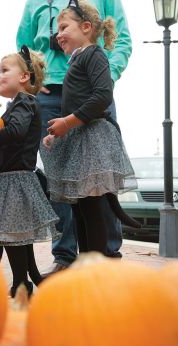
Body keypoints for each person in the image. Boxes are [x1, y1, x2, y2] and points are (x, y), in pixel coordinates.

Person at [16, 0, 132, 273]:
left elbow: (123, 41)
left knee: (97, 185)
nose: (58, 33)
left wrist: (105, 75)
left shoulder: (94, 47)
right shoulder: (35, 4)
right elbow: (23, 43)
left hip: (92, 100)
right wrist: (34, 78)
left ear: (86, 27)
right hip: (51, 95)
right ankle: (67, 259)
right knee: (65, 185)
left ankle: (105, 258)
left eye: (64, 27)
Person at [0, 46, 59, 297]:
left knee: (10, 236)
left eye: (4, 70)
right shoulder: (16, 104)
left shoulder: (25, 102)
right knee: (2, 235)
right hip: (7, 179)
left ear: (24, 77)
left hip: (15, 181)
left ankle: (16, 283)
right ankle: (11, 281)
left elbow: (15, 131)